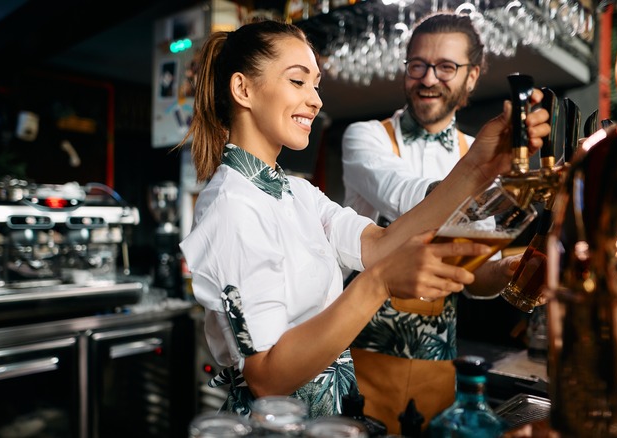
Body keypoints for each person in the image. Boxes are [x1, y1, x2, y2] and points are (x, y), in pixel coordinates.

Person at [178, 19, 549, 419]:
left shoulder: (295, 192)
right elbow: (266, 378)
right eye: (298, 82)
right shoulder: (231, 206)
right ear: (243, 90)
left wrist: (477, 167)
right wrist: (381, 281)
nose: (316, 100)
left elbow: (377, 245)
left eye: (316, 84)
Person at [340, 13, 522, 433]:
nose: (428, 78)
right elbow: (406, 197)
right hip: (357, 354)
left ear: (472, 77)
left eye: (446, 67)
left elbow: (473, 277)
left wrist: (507, 271)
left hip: (438, 365)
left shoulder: (477, 150)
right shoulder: (365, 137)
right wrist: (479, 175)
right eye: (417, 65)